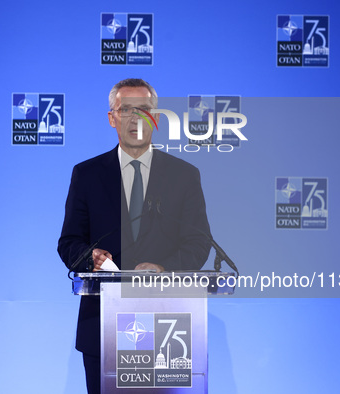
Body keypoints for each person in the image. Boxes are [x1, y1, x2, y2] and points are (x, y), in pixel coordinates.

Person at [57, 78, 211, 394]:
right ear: (112, 118)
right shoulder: (87, 174)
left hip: (167, 328)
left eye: (143, 110)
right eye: (126, 110)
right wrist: (91, 258)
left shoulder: (184, 175)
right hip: (103, 326)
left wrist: (163, 268)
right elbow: (69, 241)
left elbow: (199, 243)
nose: (135, 118)